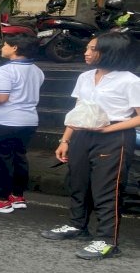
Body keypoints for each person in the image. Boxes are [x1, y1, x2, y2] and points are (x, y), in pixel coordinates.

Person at [40, 31, 140, 260]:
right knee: (78, 182)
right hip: (82, 133)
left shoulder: (130, 81)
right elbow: (78, 110)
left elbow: (138, 116)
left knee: (107, 189)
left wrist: (107, 129)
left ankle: (107, 240)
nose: (86, 53)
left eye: (92, 49)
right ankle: (77, 225)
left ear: (110, 52)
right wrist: (65, 140)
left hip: (114, 136)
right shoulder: (85, 77)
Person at [0, 34, 44, 213]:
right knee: (19, 158)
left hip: (2, 121)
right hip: (28, 120)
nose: (2, 48)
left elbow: (1, 98)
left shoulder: (4, 71)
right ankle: (17, 196)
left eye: (5, 45)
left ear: (15, 48)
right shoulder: (37, 70)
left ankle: (1, 199)